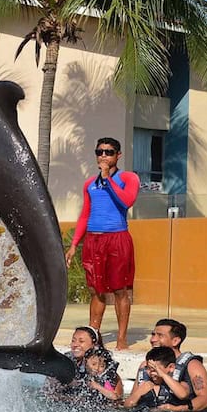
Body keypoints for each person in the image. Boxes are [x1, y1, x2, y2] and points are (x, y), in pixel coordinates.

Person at [64, 137, 140, 350]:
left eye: (109, 152)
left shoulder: (128, 177)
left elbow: (127, 201)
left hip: (117, 238)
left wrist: (108, 178)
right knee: (96, 290)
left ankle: (121, 338)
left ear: (118, 155)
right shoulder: (90, 184)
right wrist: (74, 244)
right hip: (93, 240)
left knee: (120, 290)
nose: (104, 156)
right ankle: (93, 335)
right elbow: (84, 215)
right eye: (100, 152)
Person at [134, 318, 207, 412]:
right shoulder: (145, 366)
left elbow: (205, 400)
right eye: (153, 335)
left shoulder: (193, 365)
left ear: (175, 341)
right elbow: (132, 398)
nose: (153, 339)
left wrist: (177, 409)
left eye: (160, 335)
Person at [124, 347, 194, 411]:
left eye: (156, 369)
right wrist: (139, 392)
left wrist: (163, 375)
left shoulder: (181, 382)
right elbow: (127, 405)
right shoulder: (144, 385)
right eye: (148, 368)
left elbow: (183, 395)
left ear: (171, 367)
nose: (152, 373)